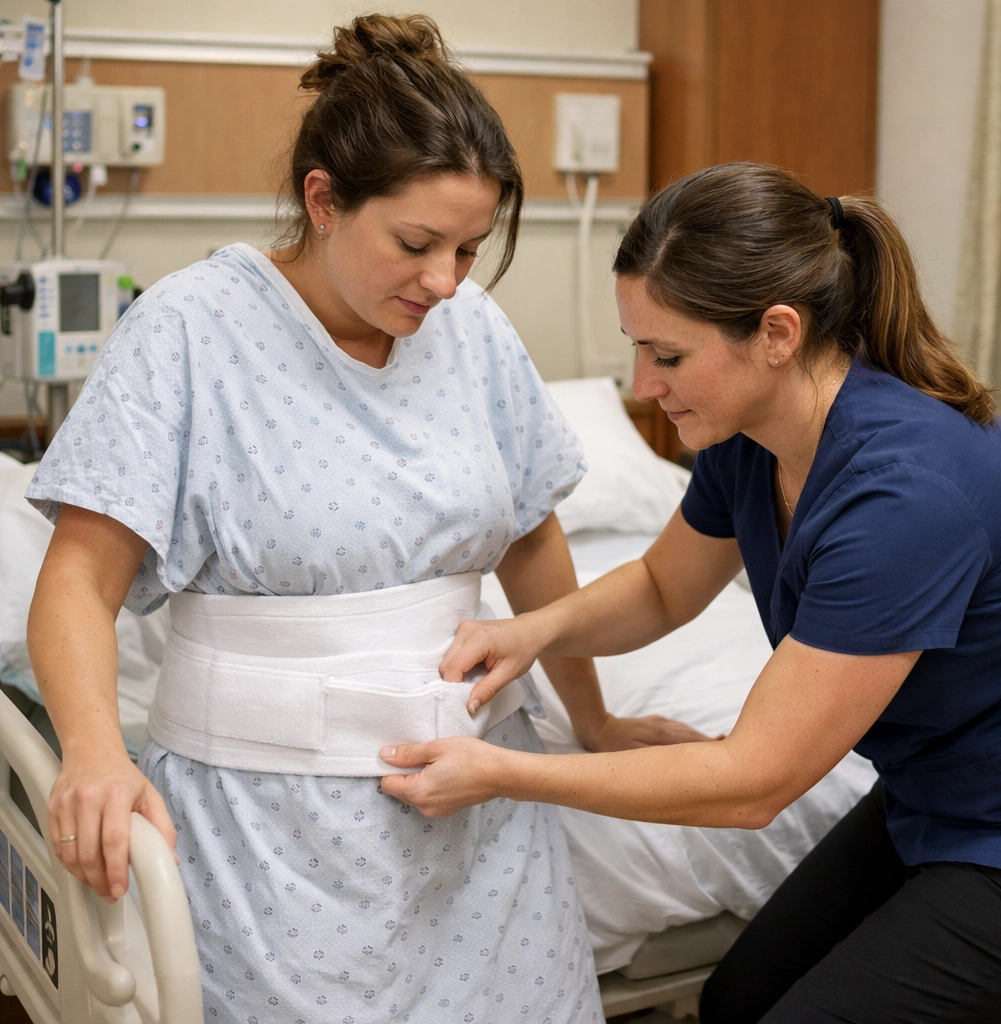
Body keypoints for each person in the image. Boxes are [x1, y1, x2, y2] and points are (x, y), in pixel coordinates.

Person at [24, 15, 703, 1022]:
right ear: (325, 201)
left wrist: (591, 718)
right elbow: (79, 578)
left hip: (480, 810)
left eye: (470, 250)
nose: (445, 282)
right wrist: (92, 751)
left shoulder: (470, 330)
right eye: (417, 244)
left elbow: (527, 535)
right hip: (269, 830)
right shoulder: (188, 331)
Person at [380, 162, 1001, 1023]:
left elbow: (752, 782)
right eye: (637, 348)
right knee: (734, 1001)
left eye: (667, 354)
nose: (643, 386)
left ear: (778, 334)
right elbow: (662, 587)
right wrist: (536, 630)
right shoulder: (749, 436)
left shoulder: (904, 498)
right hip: (936, 792)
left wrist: (508, 774)